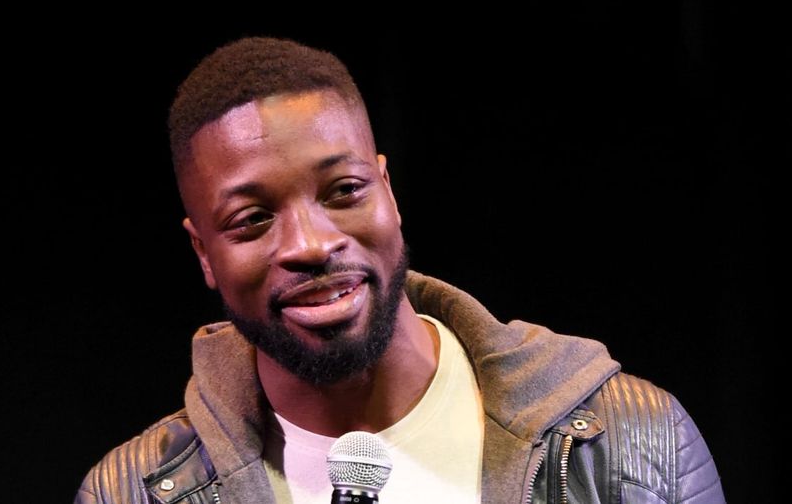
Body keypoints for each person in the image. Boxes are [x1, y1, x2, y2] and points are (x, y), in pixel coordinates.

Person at [75, 37, 724, 504]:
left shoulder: (632, 444)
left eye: (344, 191)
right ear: (203, 253)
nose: (311, 244)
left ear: (388, 191)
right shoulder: (130, 493)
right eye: (252, 219)